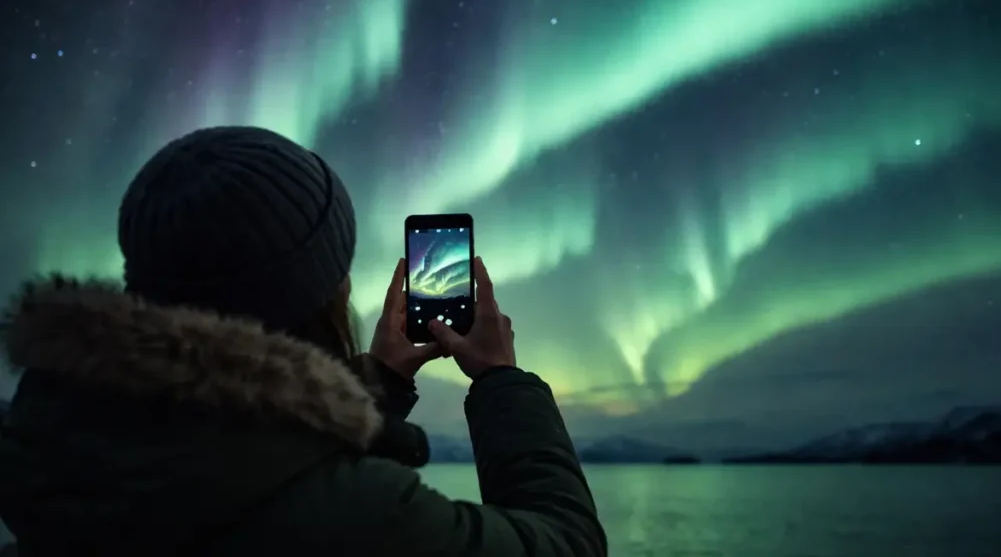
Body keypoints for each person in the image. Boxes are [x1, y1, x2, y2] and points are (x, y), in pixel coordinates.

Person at [0, 126, 607, 556]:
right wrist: (503, 383)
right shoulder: (362, 517)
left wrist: (381, 384)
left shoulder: (55, 436)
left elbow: (256, 451)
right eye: (339, 266)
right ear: (323, 291)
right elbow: (568, 544)